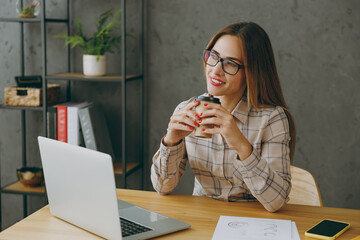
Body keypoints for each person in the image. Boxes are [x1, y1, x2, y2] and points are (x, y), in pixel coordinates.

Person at [151, 22, 296, 212]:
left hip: (255, 223)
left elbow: (276, 202)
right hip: (203, 219)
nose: (215, 70)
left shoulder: (272, 119)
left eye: (230, 63)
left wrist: (242, 146)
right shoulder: (187, 110)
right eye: (214, 56)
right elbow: (162, 187)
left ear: (252, 72)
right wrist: (171, 141)